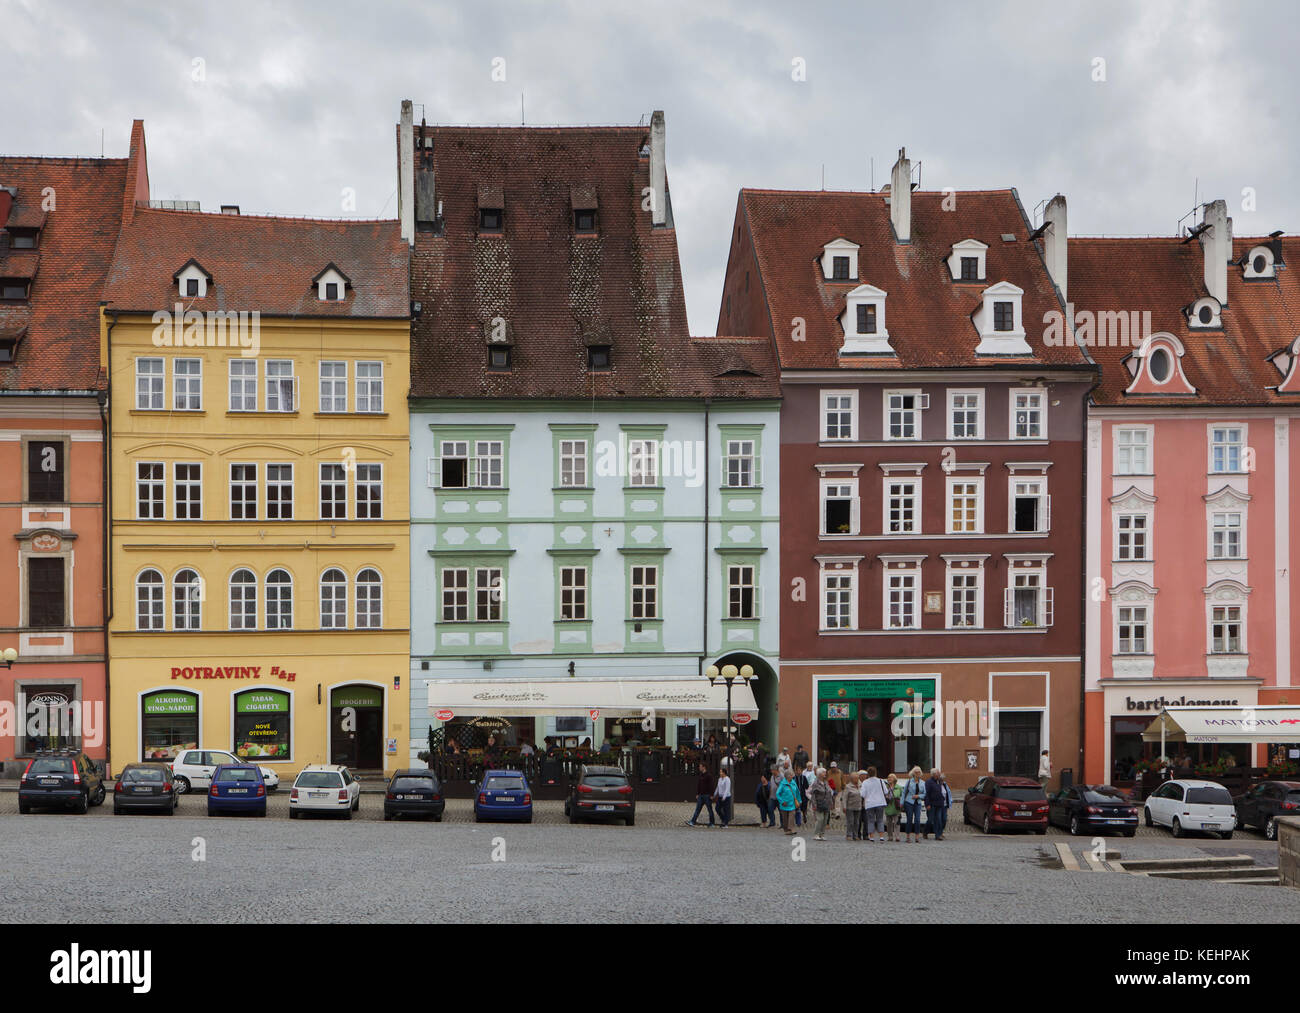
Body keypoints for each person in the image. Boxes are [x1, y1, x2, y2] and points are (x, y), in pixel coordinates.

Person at [859, 766, 888, 843]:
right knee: (880, 820)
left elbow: (862, 794)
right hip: (880, 802)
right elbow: (886, 791)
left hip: (870, 803)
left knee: (870, 820)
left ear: (868, 774)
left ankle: (871, 836)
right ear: (876, 773)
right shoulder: (881, 781)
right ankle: (881, 836)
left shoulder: (865, 782)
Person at [686, 762, 716, 827]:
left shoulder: (709, 776)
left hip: (707, 796)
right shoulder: (701, 775)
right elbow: (699, 785)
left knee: (710, 810)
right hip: (701, 795)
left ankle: (712, 823)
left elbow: (711, 786)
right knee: (697, 809)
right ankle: (692, 822)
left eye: (700, 766)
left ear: (704, 767)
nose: (699, 768)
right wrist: (697, 793)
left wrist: (711, 795)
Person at [901, 766, 926, 843]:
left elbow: (925, 794)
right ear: (913, 773)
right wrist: (902, 802)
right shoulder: (909, 782)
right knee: (909, 819)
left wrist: (918, 796)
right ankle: (908, 836)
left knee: (917, 820)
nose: (917, 773)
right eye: (916, 772)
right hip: (909, 802)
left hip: (918, 803)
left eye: (919, 772)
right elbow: (904, 792)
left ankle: (917, 837)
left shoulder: (923, 783)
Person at [808, 767, 834, 841]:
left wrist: (831, 803)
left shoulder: (826, 782)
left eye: (825, 772)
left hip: (826, 804)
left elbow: (829, 793)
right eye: (823, 772)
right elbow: (813, 795)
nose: (825, 774)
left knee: (825, 819)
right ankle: (816, 834)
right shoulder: (815, 783)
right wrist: (814, 805)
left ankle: (822, 834)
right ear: (819, 774)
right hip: (819, 804)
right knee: (820, 819)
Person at [924, 768, 949, 841]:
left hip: (939, 804)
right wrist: (927, 804)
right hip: (931, 804)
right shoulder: (929, 782)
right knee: (930, 820)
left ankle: (937, 835)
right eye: (938, 773)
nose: (939, 774)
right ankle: (925, 831)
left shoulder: (939, 782)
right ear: (934, 774)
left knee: (938, 820)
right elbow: (927, 794)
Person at [775, 768, 799, 834]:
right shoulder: (782, 784)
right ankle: (786, 829)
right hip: (784, 804)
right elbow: (777, 794)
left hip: (792, 803)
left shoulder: (793, 783)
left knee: (792, 815)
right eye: (791, 775)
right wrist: (782, 801)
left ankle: (791, 829)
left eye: (792, 775)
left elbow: (797, 792)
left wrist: (799, 801)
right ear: (787, 776)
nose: (792, 776)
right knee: (785, 818)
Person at [841, 772, 863, 840]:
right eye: (855, 778)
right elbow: (844, 798)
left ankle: (855, 835)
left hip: (858, 806)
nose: (856, 779)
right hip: (850, 807)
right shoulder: (848, 787)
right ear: (851, 779)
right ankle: (849, 835)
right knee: (850, 821)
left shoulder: (861, 785)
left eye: (857, 778)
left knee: (857, 822)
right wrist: (844, 806)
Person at [884, 772, 903, 842]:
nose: (889, 779)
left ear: (894, 779)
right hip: (888, 807)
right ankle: (890, 836)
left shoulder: (899, 787)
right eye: (888, 777)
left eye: (891, 777)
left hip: (896, 807)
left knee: (897, 823)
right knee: (888, 823)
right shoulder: (885, 787)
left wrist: (901, 803)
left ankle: (897, 836)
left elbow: (901, 796)